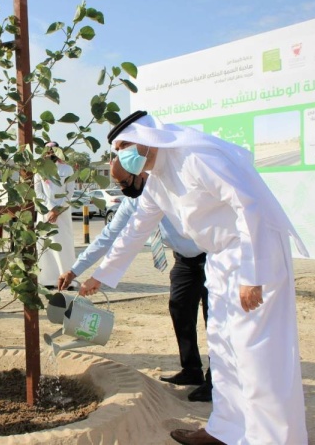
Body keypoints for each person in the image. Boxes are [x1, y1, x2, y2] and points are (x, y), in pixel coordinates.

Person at [80, 111, 308, 445]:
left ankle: (271, 438)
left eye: (125, 145)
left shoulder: (195, 157)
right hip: (219, 259)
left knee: (257, 354)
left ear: (147, 137)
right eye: (117, 149)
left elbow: (249, 207)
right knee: (223, 347)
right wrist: (100, 276)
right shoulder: (157, 179)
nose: (122, 155)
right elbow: (135, 229)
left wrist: (252, 274)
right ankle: (225, 430)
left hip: (255, 253)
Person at [58, 166, 211, 402]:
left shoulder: (173, 189)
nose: (122, 188)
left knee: (215, 319)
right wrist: (74, 269)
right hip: (185, 261)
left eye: (124, 182)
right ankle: (191, 371)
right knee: (180, 309)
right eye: (118, 184)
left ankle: (216, 381)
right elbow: (109, 236)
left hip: (211, 257)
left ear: (141, 174)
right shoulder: (134, 201)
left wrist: (98, 276)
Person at [34, 141, 76, 288]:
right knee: (45, 246)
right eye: (48, 150)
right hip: (44, 213)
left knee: (63, 245)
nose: (50, 152)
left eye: (53, 150)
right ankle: (46, 280)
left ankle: (67, 279)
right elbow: (38, 192)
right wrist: (50, 208)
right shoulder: (39, 170)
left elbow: (69, 193)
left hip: (62, 214)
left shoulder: (68, 169)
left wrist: (58, 210)